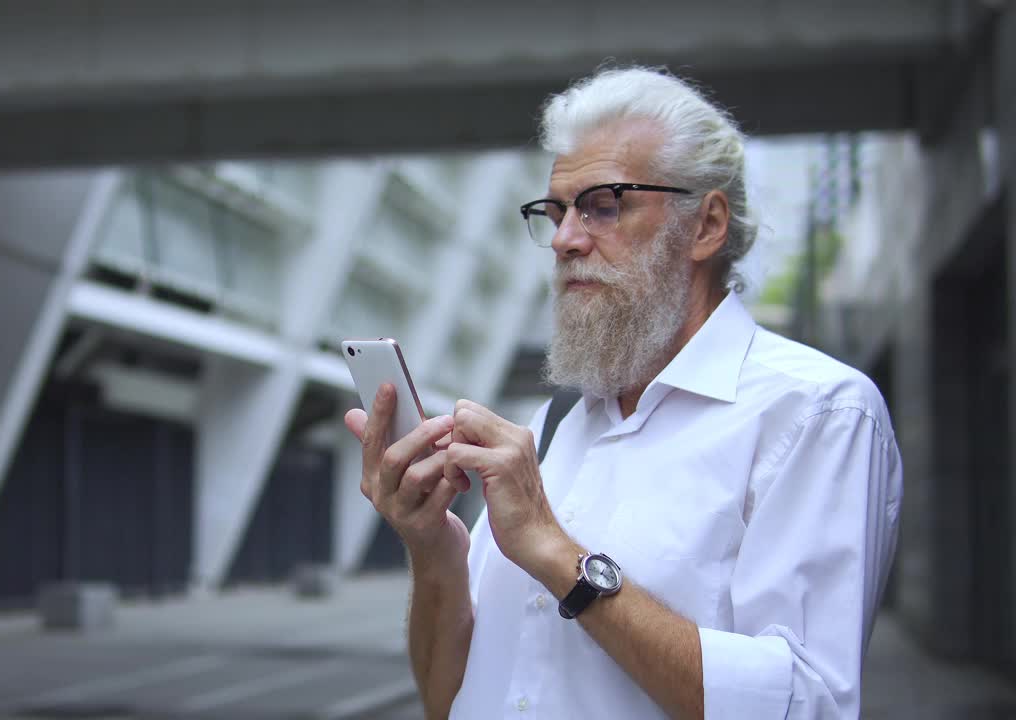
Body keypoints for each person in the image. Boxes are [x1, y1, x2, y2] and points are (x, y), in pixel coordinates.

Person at [343, 66, 902, 719]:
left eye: (603, 204)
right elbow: (447, 697)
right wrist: (431, 547)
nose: (564, 238)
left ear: (706, 226)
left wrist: (559, 555)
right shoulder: (555, 425)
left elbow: (808, 705)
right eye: (554, 212)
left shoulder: (815, 413)